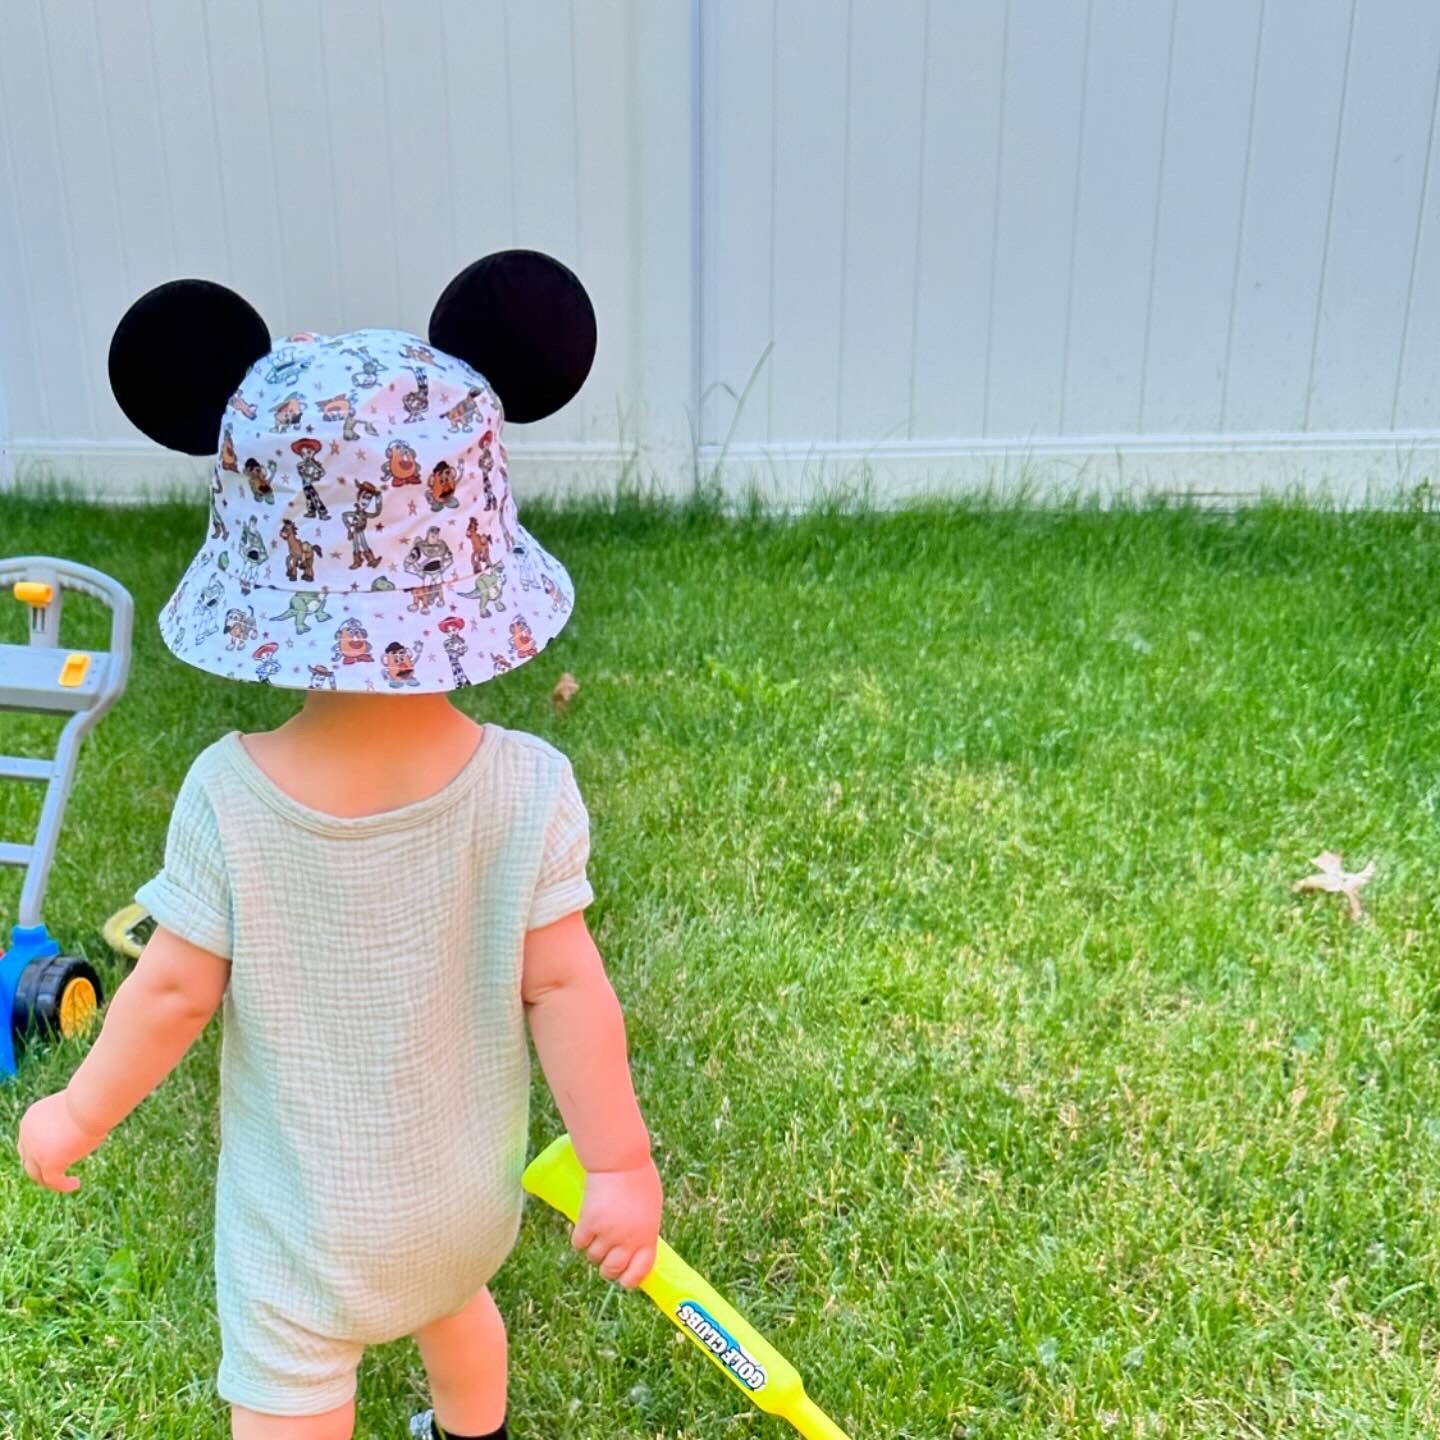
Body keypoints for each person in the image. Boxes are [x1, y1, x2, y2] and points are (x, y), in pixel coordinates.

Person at [17, 255, 657, 1440]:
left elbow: (167, 995)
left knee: (292, 1380)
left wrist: (75, 1118)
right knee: (458, 1315)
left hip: (304, 1220)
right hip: (464, 1209)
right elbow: (569, 982)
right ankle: (473, 1433)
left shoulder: (230, 799)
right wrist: (615, 1164)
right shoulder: (529, 786)